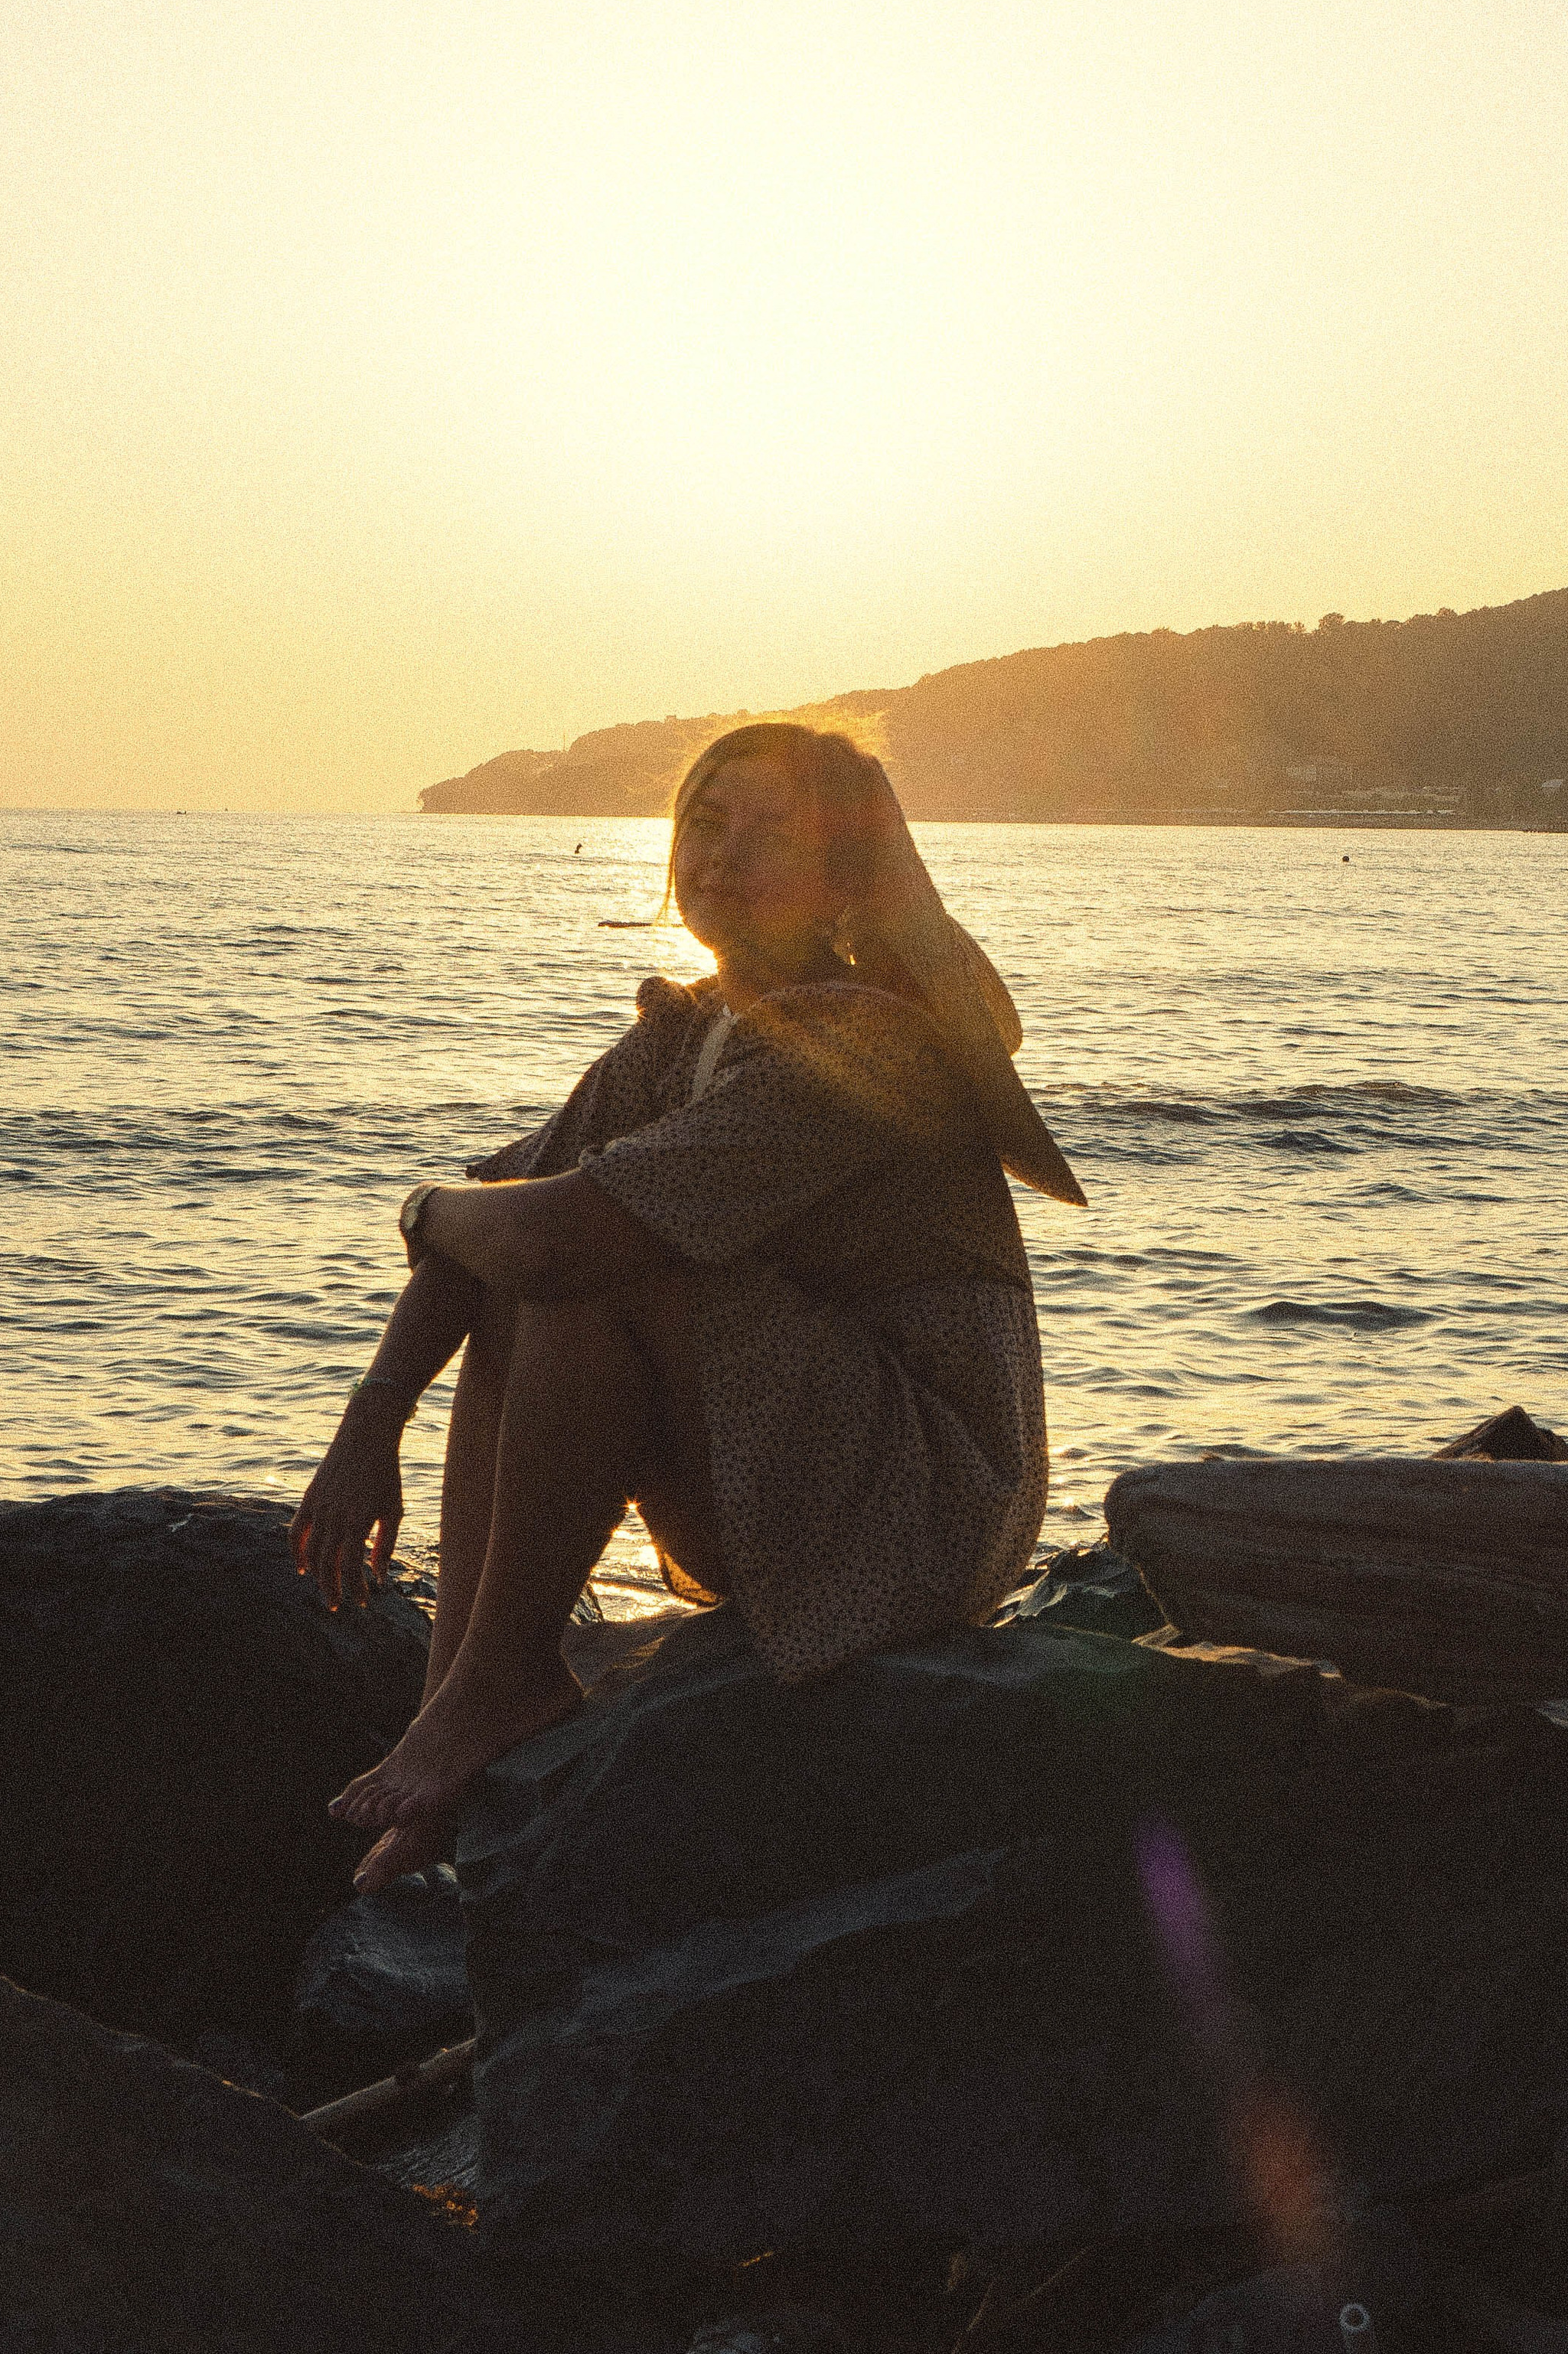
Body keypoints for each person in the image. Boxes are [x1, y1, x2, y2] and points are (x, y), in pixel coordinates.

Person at [288, 722, 1084, 1892]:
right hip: (781, 1474)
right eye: (706, 824)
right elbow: (500, 1223)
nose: (721, 856)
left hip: (922, 1512)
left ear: (843, 877)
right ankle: (459, 1703)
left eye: (772, 833)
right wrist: (371, 1422)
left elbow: (551, 1235)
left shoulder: (867, 1043)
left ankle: (500, 1689)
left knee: (594, 1255)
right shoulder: (686, 1031)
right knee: (537, 1264)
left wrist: (423, 1205)